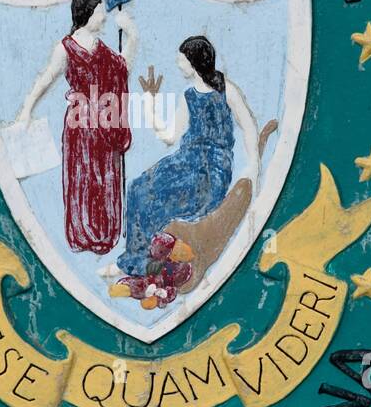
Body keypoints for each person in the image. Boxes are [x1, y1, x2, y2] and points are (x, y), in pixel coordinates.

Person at [107, 35, 259, 279]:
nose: (178, 64)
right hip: (186, 160)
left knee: (161, 198)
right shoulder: (188, 96)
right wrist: (150, 101)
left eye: (182, 60)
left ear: (193, 61)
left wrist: (253, 167)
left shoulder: (226, 89)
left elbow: (249, 126)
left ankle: (149, 259)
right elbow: (169, 136)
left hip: (212, 169)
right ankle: (138, 260)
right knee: (138, 187)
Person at [16, 0, 138, 254]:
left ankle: (105, 234)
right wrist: (27, 108)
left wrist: (132, 36)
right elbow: (48, 77)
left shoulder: (101, 46)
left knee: (106, 177)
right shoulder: (66, 47)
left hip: (105, 124)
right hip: (80, 124)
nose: (103, 16)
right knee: (83, 176)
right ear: (87, 15)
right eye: (99, 12)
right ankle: (83, 234)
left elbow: (121, 70)